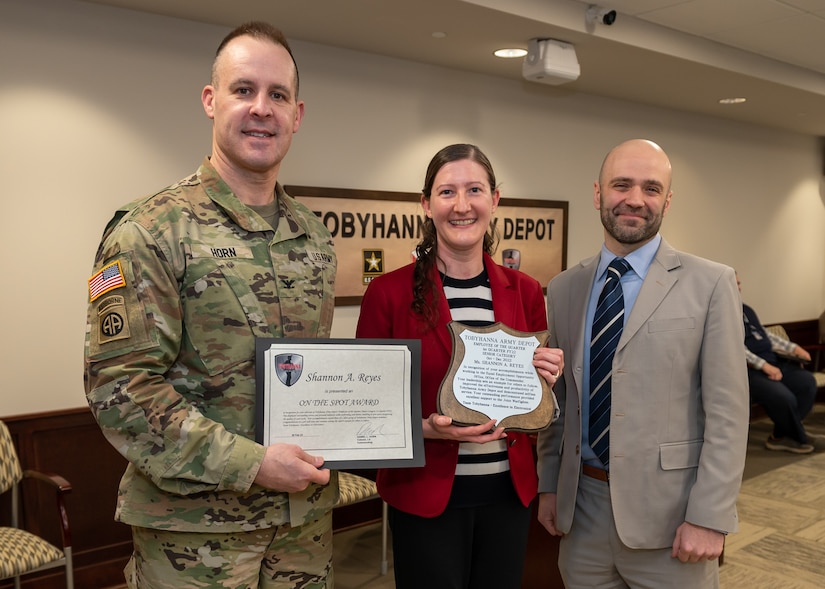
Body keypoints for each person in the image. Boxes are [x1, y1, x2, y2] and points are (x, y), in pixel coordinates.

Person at [83, 22, 337, 589]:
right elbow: (120, 389)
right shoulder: (149, 230)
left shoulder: (314, 237)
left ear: (298, 113)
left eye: (278, 95)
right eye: (243, 89)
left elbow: (312, 379)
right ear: (210, 100)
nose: (261, 109)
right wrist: (253, 464)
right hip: (196, 541)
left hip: (303, 530)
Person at [536, 139, 750, 588]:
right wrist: (550, 485)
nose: (635, 199)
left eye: (651, 188)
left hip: (671, 521)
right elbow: (558, 403)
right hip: (583, 516)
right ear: (598, 194)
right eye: (621, 185)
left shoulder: (711, 284)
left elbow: (728, 415)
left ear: (667, 201)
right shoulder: (563, 289)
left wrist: (709, 517)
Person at [356, 143, 564, 589]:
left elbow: (533, 402)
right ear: (426, 204)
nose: (462, 205)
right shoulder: (388, 294)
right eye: (447, 192)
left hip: (508, 497)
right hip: (426, 495)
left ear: (495, 199)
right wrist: (428, 428)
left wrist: (546, 377)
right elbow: (368, 408)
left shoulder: (526, 291)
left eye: (474, 190)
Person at [738, 273, 820, 453]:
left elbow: (765, 335)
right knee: (784, 397)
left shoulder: (746, 309)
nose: (738, 287)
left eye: (739, 283)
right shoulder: (719, 313)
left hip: (774, 362)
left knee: (807, 382)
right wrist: (764, 366)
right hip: (749, 371)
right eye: (733, 283)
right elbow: (734, 347)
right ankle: (798, 435)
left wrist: (794, 348)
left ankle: (782, 435)